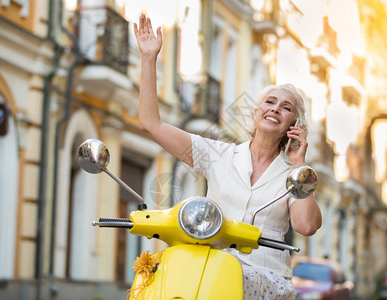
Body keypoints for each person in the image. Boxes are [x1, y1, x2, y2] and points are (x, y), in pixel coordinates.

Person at [133, 14, 322, 300]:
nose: (275, 109)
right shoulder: (219, 155)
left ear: (294, 125)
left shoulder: (293, 174)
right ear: (256, 113)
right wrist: (148, 59)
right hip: (209, 272)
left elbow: (306, 226)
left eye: (286, 108)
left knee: (230, 271)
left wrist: (300, 165)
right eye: (269, 102)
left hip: (264, 278)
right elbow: (151, 123)